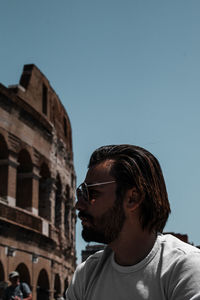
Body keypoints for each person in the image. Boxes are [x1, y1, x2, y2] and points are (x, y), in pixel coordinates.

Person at [66, 144, 200, 300]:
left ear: (132, 199)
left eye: (91, 193)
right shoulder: (87, 274)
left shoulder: (185, 268)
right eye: (80, 193)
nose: (78, 204)